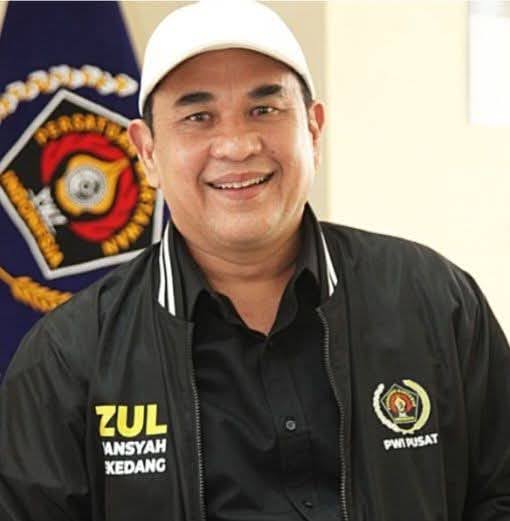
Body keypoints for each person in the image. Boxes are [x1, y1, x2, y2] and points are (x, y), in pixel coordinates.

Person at [1, 1, 509, 520]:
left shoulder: (435, 302)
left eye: (264, 110)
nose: (237, 145)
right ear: (148, 151)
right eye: (198, 117)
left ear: (313, 130)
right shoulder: (68, 359)